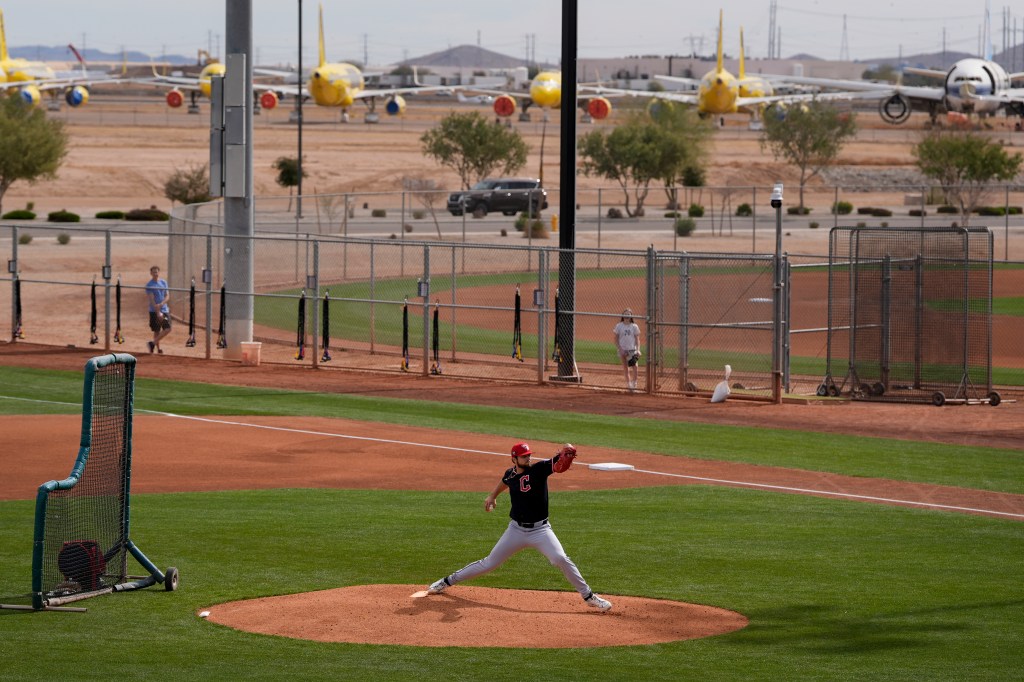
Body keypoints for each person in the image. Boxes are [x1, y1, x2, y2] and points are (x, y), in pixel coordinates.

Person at [426, 442, 612, 612]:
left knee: (560, 558)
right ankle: (446, 582)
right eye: (524, 456)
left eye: (529, 455)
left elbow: (556, 464)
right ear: (514, 458)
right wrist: (492, 496)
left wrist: (566, 453)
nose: (528, 458)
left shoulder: (539, 469)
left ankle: (589, 596)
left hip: (541, 530)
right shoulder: (511, 474)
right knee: (489, 563)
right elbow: (504, 481)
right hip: (515, 530)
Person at [613, 308, 642, 392]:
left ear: (631, 316)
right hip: (623, 349)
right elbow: (616, 339)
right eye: (625, 314)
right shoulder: (619, 326)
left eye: (629, 314)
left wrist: (638, 350)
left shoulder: (634, 326)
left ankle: (634, 384)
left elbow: (637, 339)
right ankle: (629, 385)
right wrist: (620, 349)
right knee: (626, 367)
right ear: (623, 315)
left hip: (632, 349)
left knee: (635, 367)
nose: (627, 316)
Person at [145, 265, 172, 354]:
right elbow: (152, 300)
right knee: (157, 330)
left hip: (164, 309)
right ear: (151, 273)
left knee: (167, 328)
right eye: (153, 272)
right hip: (154, 311)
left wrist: (162, 304)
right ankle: (157, 348)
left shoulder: (164, 282)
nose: (155, 274)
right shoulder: (149, 285)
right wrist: (158, 312)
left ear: (159, 273)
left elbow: (167, 295)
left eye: (156, 272)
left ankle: (152, 343)